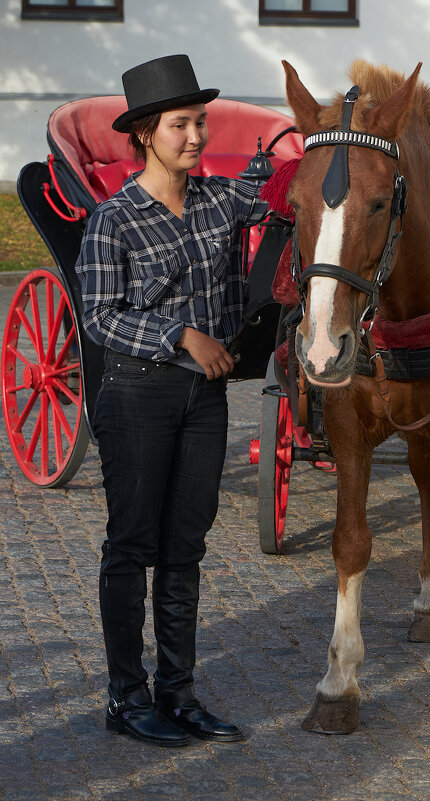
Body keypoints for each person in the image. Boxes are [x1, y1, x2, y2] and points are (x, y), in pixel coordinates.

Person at [75, 54, 268, 747]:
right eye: (181, 124)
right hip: (135, 396)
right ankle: (125, 697)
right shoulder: (113, 221)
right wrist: (181, 333)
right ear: (145, 134)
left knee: (186, 544)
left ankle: (177, 691)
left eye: (200, 121)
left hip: (203, 402)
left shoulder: (221, 200)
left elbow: (276, 194)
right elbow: (97, 316)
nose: (195, 134)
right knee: (131, 544)